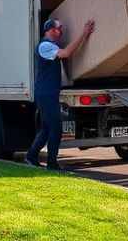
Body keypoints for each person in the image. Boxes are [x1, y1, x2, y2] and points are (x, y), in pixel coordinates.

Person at [26, 18, 94, 170]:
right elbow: (67, 53)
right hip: (46, 93)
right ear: (50, 30)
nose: (62, 31)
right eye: (59, 28)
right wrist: (84, 34)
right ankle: (51, 163)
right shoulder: (45, 46)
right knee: (56, 128)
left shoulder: (51, 45)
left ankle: (31, 156)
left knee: (46, 128)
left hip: (48, 92)